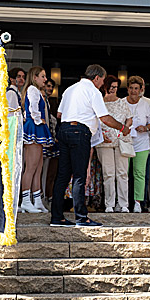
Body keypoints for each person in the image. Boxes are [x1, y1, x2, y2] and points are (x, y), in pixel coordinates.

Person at [50, 64, 129, 227]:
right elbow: (105, 118)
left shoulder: (69, 89)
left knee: (63, 176)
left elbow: (59, 114)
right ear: (97, 77)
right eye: (102, 81)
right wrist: (122, 127)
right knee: (79, 176)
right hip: (80, 133)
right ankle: (81, 217)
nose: (102, 85)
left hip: (64, 130)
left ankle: (57, 217)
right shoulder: (93, 91)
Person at [20, 67, 54, 213]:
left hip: (36, 126)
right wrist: (38, 120)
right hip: (34, 126)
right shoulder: (33, 90)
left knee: (38, 166)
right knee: (31, 167)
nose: (45, 79)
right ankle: (26, 201)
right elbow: (33, 108)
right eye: (43, 76)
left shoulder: (35, 90)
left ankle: (37, 199)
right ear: (35, 77)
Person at [125, 76, 150, 213]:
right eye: (131, 88)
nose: (134, 91)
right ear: (127, 89)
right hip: (126, 143)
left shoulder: (147, 103)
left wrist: (145, 128)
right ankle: (123, 203)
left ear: (141, 90)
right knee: (124, 174)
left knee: (139, 173)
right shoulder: (122, 103)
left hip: (142, 144)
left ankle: (138, 203)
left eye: (136, 88)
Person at [96, 75, 132, 213]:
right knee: (108, 173)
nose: (113, 90)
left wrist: (126, 128)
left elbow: (129, 119)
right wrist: (101, 134)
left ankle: (123, 204)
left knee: (122, 173)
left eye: (116, 87)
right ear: (105, 87)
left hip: (121, 140)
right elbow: (95, 120)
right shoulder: (99, 102)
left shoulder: (122, 102)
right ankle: (109, 204)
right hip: (104, 141)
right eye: (111, 87)